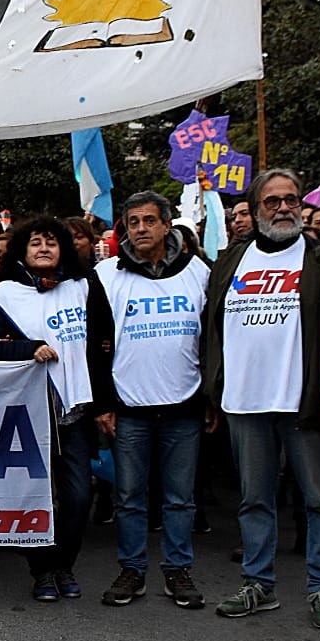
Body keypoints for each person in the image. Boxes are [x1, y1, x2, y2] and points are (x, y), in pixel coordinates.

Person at [201, 169, 320, 631]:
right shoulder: (231, 261)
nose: (284, 208)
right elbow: (213, 327)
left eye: (291, 200)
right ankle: (257, 584)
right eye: (272, 201)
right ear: (256, 208)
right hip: (244, 401)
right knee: (254, 500)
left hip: (302, 401)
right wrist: (214, 388)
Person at [0, 216, 116, 604]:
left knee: (77, 497)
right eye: (35, 241)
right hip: (28, 416)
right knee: (34, 498)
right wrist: (27, 348)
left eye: (52, 242)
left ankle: (64, 565)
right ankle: (41, 571)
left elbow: (104, 346)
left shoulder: (84, 287)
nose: (43, 248)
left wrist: (104, 404)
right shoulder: (2, 294)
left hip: (74, 414)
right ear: (22, 249)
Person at [95, 191, 212, 610]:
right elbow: (96, 345)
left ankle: (178, 570)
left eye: (149, 221)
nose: (141, 229)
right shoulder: (107, 275)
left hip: (184, 405)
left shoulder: (198, 272)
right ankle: (132, 569)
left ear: (167, 225)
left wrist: (211, 396)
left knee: (180, 498)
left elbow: (212, 339)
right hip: (129, 407)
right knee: (128, 497)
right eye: (133, 222)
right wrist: (104, 404)